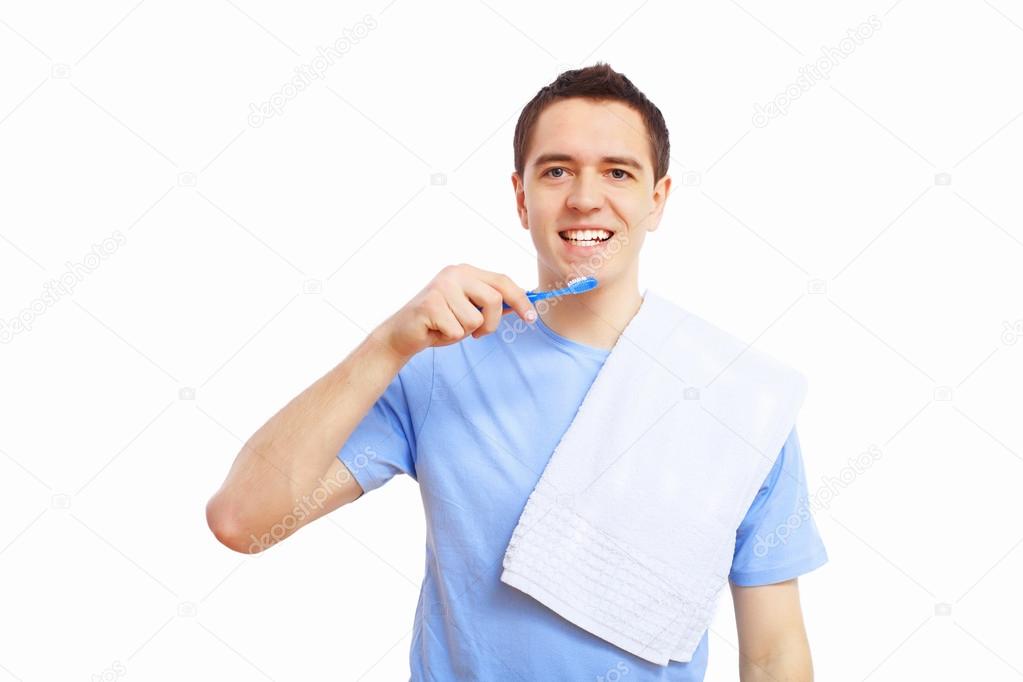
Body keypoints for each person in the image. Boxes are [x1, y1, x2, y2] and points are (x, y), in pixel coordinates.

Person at [206, 62, 828, 681]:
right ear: (521, 197)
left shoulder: (739, 399)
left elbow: (773, 654)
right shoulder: (435, 367)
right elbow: (242, 521)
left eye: (618, 172)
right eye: (557, 171)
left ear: (656, 199)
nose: (586, 197)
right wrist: (386, 345)